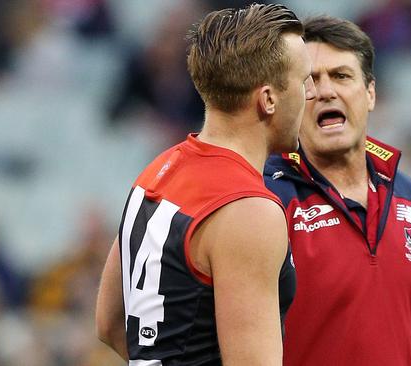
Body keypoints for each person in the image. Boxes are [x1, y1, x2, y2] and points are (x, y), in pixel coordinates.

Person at [95, 4, 316, 365]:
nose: (312, 92)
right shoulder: (248, 210)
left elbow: (109, 323)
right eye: (304, 79)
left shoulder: (159, 170)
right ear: (269, 99)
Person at [265, 16, 411, 365]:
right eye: (309, 81)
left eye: (341, 76)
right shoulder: (267, 198)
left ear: (370, 94)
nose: (326, 90)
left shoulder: (409, 198)